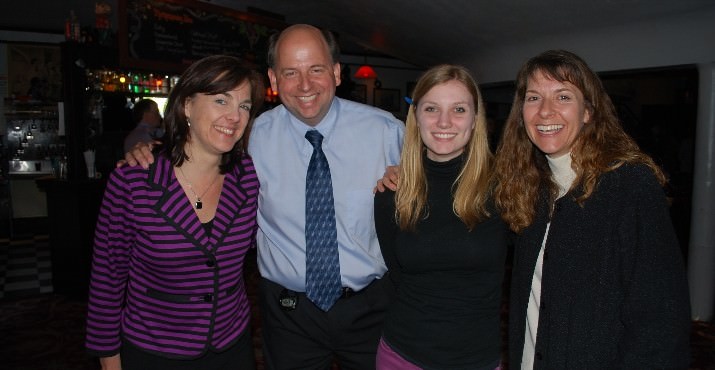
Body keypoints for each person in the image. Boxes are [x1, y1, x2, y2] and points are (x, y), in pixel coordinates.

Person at [122, 24, 405, 369]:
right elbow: (195, 150)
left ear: (335, 72)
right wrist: (152, 150)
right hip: (289, 316)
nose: (305, 85)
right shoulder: (247, 137)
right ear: (273, 79)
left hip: (371, 309)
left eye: (316, 69)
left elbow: (434, 189)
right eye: (290, 73)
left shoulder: (387, 131)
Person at [493, 49, 691, 369]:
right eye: (533, 98)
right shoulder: (528, 187)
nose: (545, 111)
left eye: (563, 96)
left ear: (588, 111)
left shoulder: (628, 186)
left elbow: (661, 324)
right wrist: (409, 176)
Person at [85, 55, 265, 370]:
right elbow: (107, 278)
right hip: (154, 351)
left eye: (244, 106)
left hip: (232, 346)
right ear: (186, 105)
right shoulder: (134, 180)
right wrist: (110, 362)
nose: (235, 116)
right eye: (221, 100)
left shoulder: (247, 176)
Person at [373, 64, 508, 369]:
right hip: (403, 355)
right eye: (432, 108)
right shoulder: (392, 193)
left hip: (478, 359)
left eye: (459, 109)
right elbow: (396, 275)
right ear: (416, 117)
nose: (444, 121)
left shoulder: (504, 191)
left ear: (475, 120)